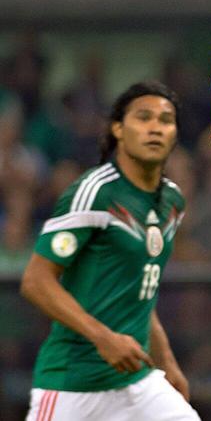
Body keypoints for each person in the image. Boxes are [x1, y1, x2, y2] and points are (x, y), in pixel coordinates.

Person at [20, 82, 199, 421]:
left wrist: (167, 362)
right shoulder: (94, 192)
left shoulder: (172, 201)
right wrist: (103, 337)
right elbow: (35, 281)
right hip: (73, 384)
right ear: (118, 129)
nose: (155, 127)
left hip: (137, 381)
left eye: (165, 120)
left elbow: (139, 291)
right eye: (143, 117)